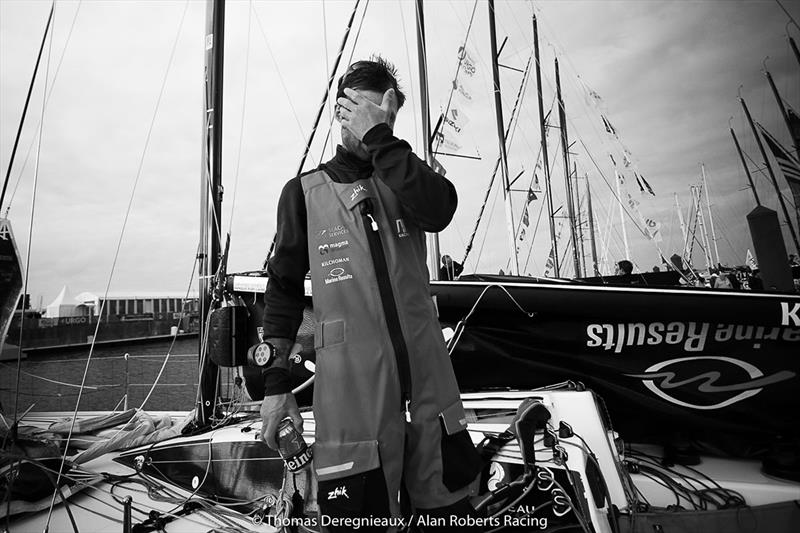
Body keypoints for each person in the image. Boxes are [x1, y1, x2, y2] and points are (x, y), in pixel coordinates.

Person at [260, 57, 482, 531]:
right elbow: (281, 290)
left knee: (449, 511)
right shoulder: (303, 193)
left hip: (430, 392)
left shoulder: (406, 176)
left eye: (389, 116)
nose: (379, 122)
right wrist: (277, 387)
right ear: (342, 110)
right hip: (352, 399)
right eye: (368, 109)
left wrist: (380, 136)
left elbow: (440, 210)